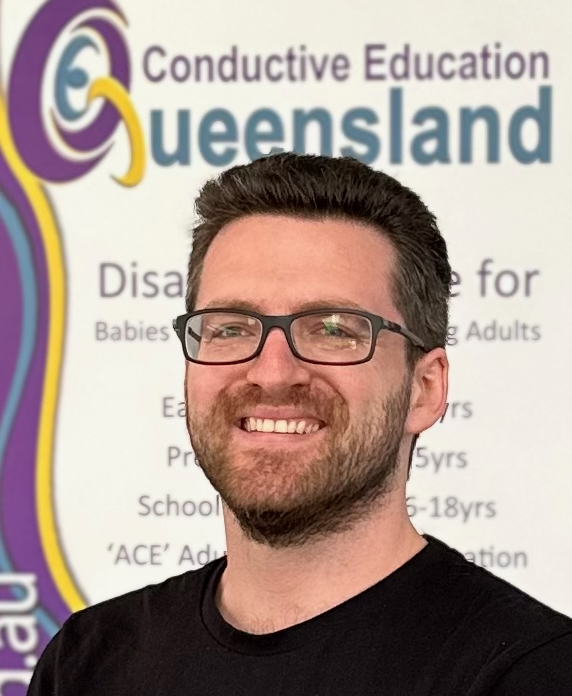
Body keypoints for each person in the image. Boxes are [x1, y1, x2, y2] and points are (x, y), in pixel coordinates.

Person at [29, 153, 572, 695]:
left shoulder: (533, 674)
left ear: (424, 389)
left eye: (334, 329)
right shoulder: (88, 662)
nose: (272, 373)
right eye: (230, 328)